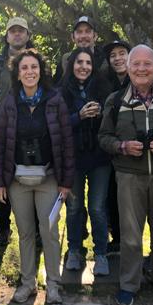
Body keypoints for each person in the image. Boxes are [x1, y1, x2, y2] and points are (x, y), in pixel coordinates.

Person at [99, 45, 153, 305]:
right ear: (128, 67)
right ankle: (129, 283)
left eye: (147, 64)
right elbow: (103, 137)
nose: (141, 69)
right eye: (136, 64)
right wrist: (122, 146)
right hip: (129, 175)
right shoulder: (115, 100)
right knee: (130, 233)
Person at [0, 50, 74, 304]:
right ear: (18, 74)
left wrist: (66, 182)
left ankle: (53, 285)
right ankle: (27, 283)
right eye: (24, 68)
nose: (30, 72)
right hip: (18, 181)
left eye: (34, 67)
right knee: (25, 233)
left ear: (41, 71)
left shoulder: (55, 100)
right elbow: (0, 142)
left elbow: (66, 142)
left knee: (48, 232)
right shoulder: (9, 102)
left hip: (48, 178)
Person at [0, 17, 35, 249]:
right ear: (6, 36)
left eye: (21, 31)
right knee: (2, 179)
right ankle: (3, 230)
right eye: (12, 31)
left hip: (32, 131)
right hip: (4, 131)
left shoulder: (36, 61)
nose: (17, 34)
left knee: (33, 178)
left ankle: (35, 230)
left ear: (27, 35)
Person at [61, 47, 112, 275]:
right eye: (79, 62)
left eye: (88, 63)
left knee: (97, 208)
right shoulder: (61, 91)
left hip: (99, 158)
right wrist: (79, 116)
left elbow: (113, 123)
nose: (84, 67)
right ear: (72, 65)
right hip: (73, 159)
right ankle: (74, 250)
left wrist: (101, 113)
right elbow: (58, 125)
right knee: (74, 207)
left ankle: (101, 253)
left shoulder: (104, 88)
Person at [102, 36, 131, 254]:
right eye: (113, 55)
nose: (118, 58)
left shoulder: (140, 79)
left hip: (136, 153)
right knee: (112, 196)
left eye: (122, 53)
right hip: (111, 150)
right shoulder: (105, 83)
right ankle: (118, 239)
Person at [53, 15, 112, 85]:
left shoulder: (106, 59)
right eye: (79, 32)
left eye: (87, 31)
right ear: (73, 37)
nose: (83, 36)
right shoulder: (65, 60)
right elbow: (55, 87)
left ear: (95, 36)